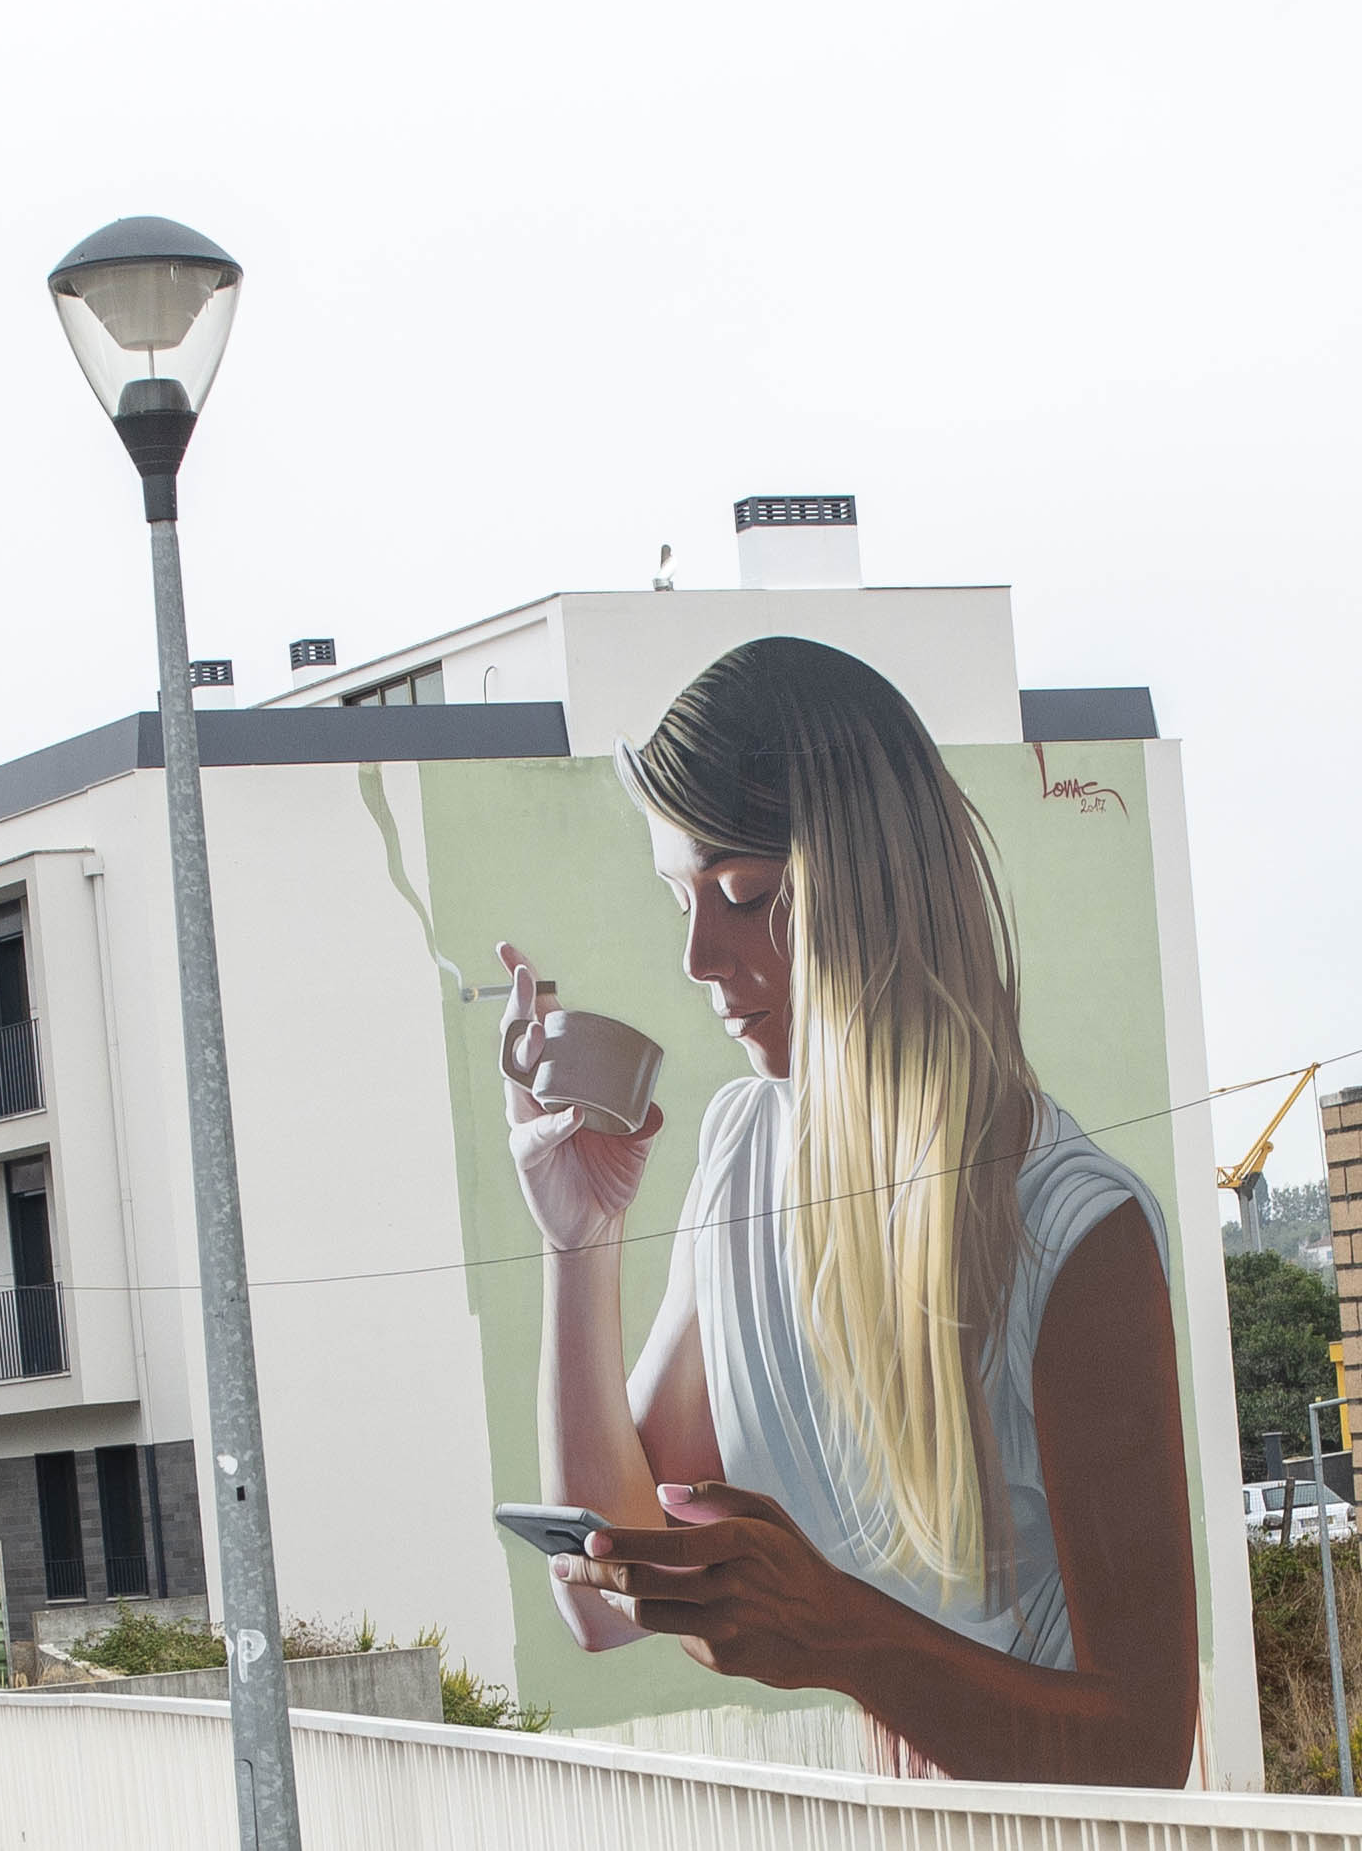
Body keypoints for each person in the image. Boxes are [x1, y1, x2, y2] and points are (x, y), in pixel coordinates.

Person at [499, 633, 1204, 1786]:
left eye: (744, 895)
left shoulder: (1075, 1228)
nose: (695, 953)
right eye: (680, 896)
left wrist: (844, 1635)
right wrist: (579, 1241)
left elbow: (1141, 1746)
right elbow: (611, 1604)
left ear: (871, 882)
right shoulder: (741, 1147)